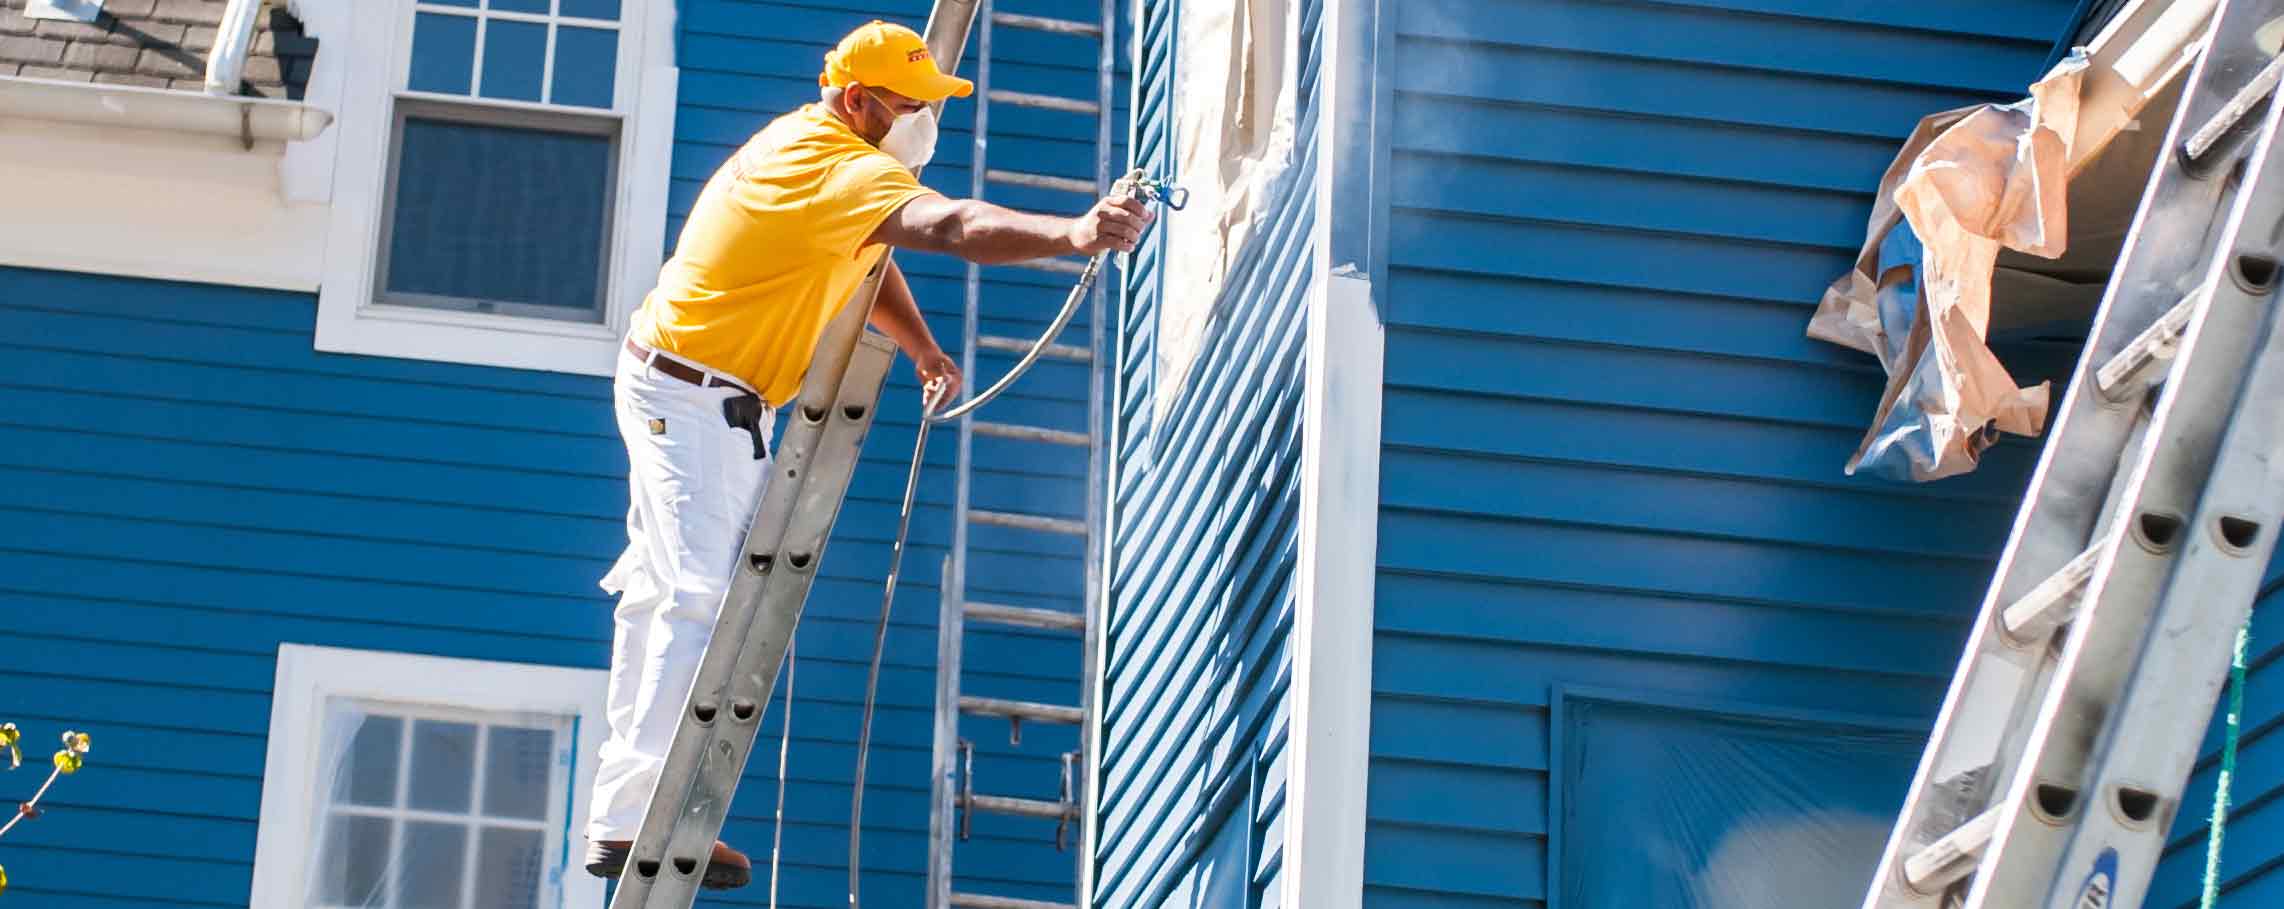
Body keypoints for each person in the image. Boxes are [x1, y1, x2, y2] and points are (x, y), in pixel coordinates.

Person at [582, 19, 1155, 888]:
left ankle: (625, 814)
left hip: (685, 384)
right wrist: (1074, 234)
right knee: (699, 599)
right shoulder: (829, 164)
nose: (925, 123)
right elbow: (955, 224)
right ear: (858, 101)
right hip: (691, 396)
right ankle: (643, 823)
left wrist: (923, 349)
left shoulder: (821, 157)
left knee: (662, 595)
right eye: (911, 108)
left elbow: (867, 254)